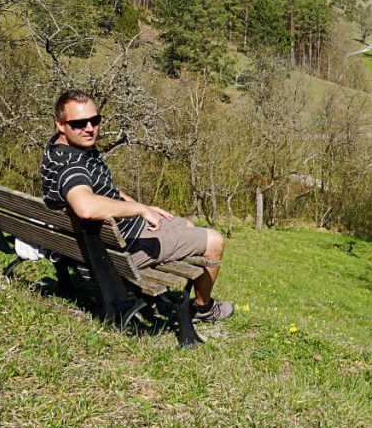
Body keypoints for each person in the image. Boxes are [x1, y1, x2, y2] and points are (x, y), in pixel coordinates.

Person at [40, 89, 233, 322]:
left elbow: (101, 188)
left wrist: (141, 206)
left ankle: (174, 294)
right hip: (117, 253)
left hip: (102, 243)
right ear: (60, 125)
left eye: (95, 120)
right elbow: (86, 207)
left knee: (187, 225)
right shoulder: (73, 166)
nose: (90, 128)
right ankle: (203, 309)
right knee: (214, 241)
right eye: (79, 123)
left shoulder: (58, 151)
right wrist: (141, 210)